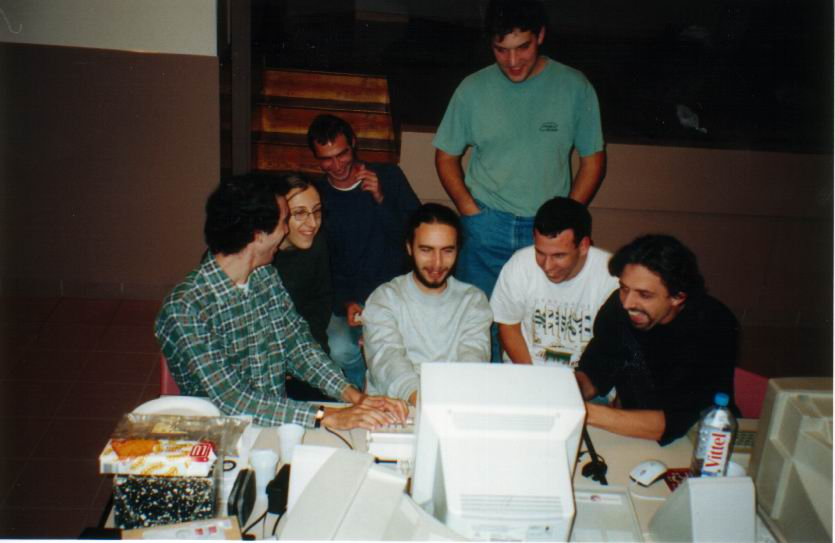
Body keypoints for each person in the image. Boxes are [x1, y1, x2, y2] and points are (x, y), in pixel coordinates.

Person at [154, 175, 407, 430]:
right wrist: (327, 416)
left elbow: (297, 346)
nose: (287, 230)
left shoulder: (264, 276)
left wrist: (354, 396)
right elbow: (233, 400)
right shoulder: (186, 308)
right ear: (257, 235)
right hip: (219, 436)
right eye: (284, 221)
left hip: (276, 422)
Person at [433, 0, 605, 318]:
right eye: (501, 50)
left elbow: (592, 161)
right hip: (485, 224)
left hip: (546, 231)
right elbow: (445, 156)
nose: (512, 61)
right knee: (477, 321)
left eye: (522, 47)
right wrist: (471, 212)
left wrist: (564, 220)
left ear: (540, 35)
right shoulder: (472, 89)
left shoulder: (574, 87)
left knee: (537, 323)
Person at [575, 235, 739, 445]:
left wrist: (581, 411)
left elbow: (673, 421)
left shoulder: (712, 325)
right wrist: (564, 389)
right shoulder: (618, 307)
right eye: (624, 288)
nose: (627, 303)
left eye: (644, 295)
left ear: (677, 296)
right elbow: (595, 372)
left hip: (699, 441)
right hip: (630, 431)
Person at [308, 114, 421, 390]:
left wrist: (382, 199)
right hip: (349, 299)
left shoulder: (389, 176)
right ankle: (364, 392)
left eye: (342, 154)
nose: (337, 166)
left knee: (409, 348)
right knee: (340, 348)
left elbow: (417, 238)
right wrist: (345, 302)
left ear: (354, 144)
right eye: (326, 159)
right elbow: (324, 263)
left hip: (395, 294)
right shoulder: (317, 196)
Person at [362, 204, 492, 405]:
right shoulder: (385, 299)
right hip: (394, 405)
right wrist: (423, 400)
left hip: (453, 401)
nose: (437, 263)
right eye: (426, 250)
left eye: (447, 251)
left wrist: (446, 405)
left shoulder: (473, 301)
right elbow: (387, 360)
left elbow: (473, 360)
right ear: (409, 248)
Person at [490, 197, 618, 366]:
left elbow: (614, 345)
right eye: (540, 253)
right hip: (527, 368)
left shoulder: (612, 275)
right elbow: (508, 325)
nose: (547, 266)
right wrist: (531, 374)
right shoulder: (519, 264)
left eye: (559, 255)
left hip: (587, 374)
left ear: (583, 246)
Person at [271, 173, 334, 402]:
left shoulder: (316, 246)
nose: (313, 223)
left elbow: (320, 303)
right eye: (299, 213)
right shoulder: (254, 256)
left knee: (329, 406)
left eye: (316, 211)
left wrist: (309, 356)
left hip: (302, 353)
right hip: (264, 363)